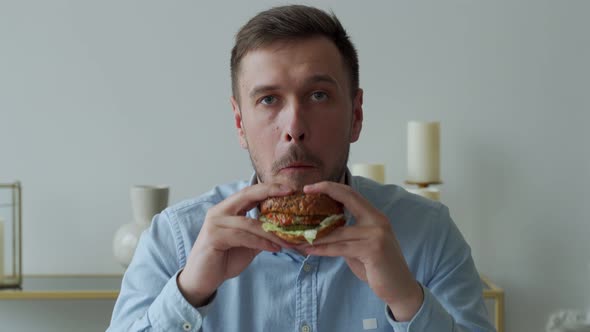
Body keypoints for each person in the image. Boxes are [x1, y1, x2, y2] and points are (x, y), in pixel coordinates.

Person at [107, 5, 495, 332]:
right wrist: (189, 291)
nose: (294, 128)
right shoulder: (173, 240)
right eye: (269, 99)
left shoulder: (428, 235)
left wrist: (408, 301)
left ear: (356, 114)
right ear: (240, 124)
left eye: (318, 95)